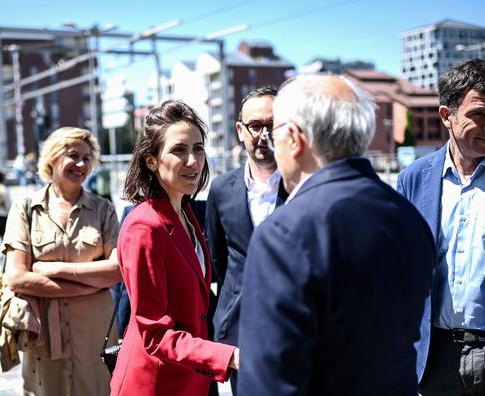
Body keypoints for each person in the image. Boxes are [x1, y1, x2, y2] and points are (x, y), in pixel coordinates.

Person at [238, 74, 435, 396]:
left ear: (294, 138)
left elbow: (269, 381)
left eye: (274, 135)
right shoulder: (408, 216)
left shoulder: (284, 232)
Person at [397, 59, 485, 396]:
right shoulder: (412, 180)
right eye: (480, 115)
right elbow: (397, 273)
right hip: (429, 362)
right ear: (447, 116)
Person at [111, 100, 239, 396]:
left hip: (190, 379)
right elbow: (154, 334)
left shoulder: (185, 212)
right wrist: (228, 356)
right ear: (151, 160)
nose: (193, 161)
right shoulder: (145, 227)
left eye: (198, 148)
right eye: (179, 150)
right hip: (156, 384)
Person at [3, 127, 121, 396]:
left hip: (95, 334)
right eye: (73, 156)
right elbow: (17, 277)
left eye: (87, 158)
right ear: (52, 158)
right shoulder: (25, 209)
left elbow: (116, 270)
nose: (81, 164)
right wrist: (88, 286)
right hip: (42, 335)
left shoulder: (104, 210)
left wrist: (52, 269)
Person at [205, 86, 288, 393]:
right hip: (240, 335)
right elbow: (219, 263)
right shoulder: (221, 189)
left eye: (272, 125)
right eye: (255, 126)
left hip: (298, 329)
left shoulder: (306, 187)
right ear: (240, 130)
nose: (263, 134)